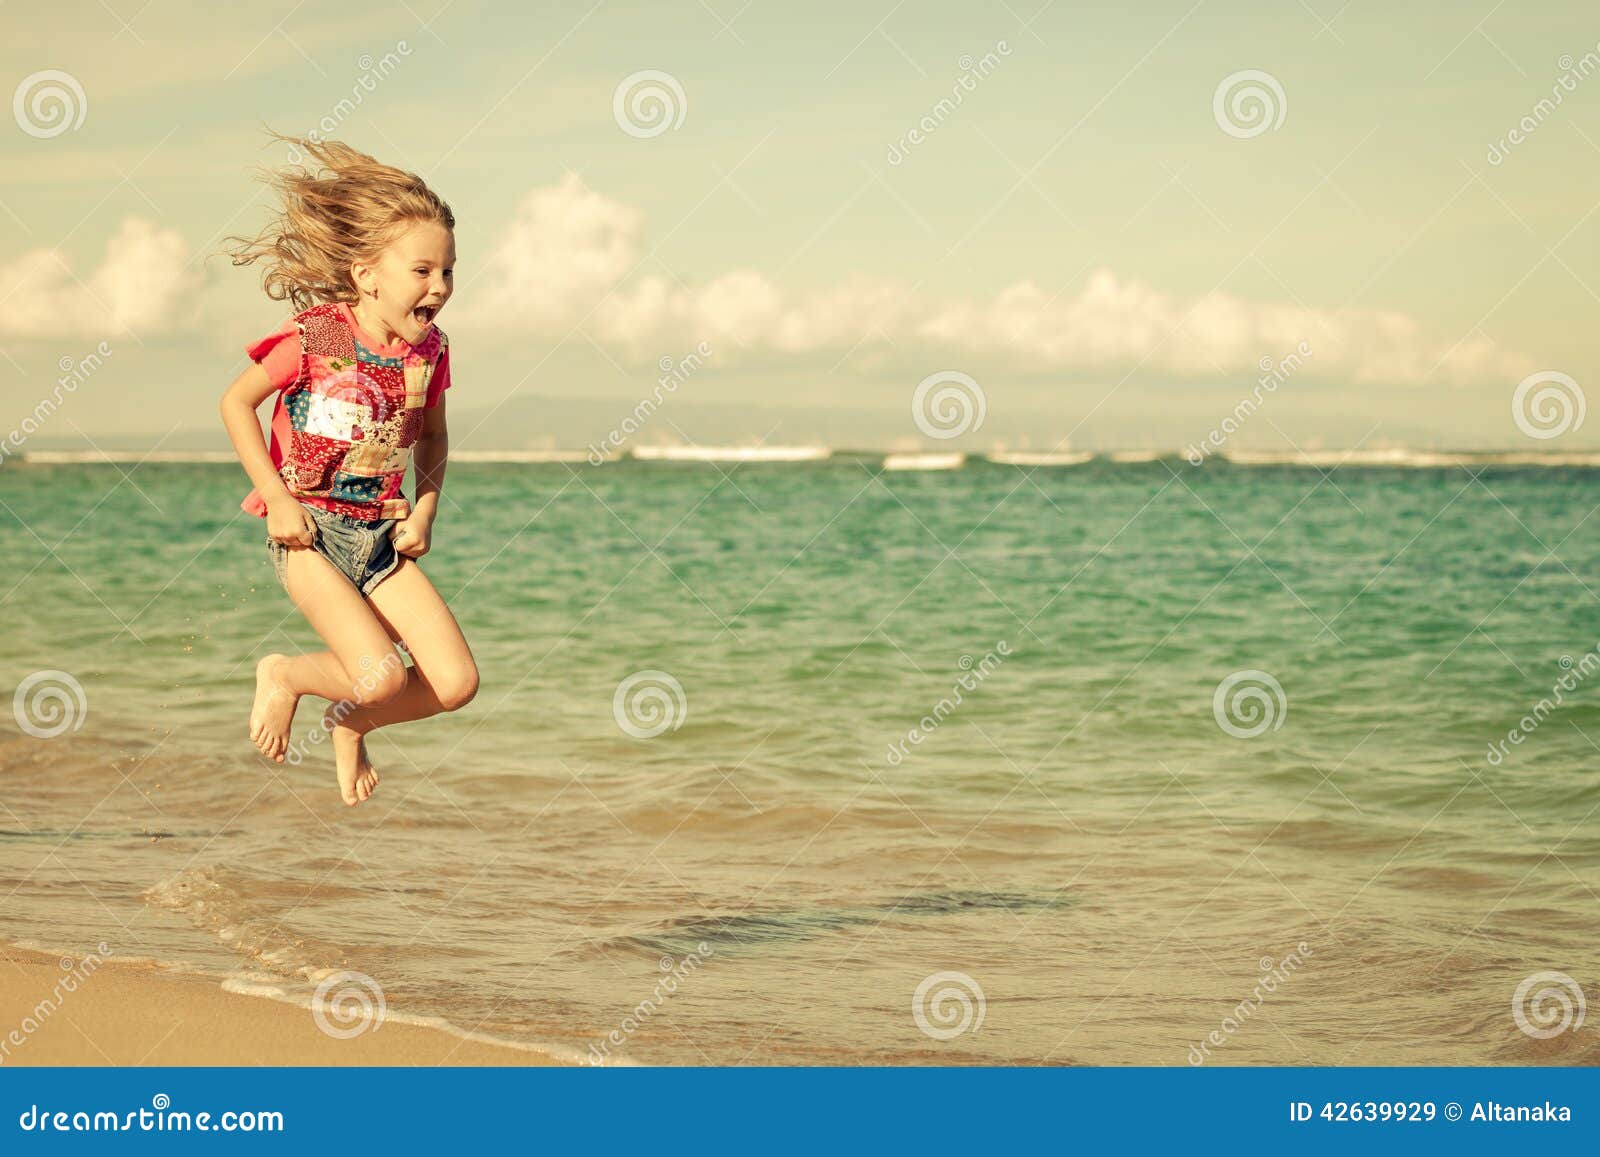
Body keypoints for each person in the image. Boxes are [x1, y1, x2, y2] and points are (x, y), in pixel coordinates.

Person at [218, 134, 478, 807]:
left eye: (448, 271)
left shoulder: (432, 353)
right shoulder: (318, 336)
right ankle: (286, 673)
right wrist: (275, 498)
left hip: (381, 539)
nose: (440, 287)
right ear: (368, 275)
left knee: (454, 683)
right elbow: (236, 402)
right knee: (384, 674)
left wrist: (424, 508)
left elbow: (436, 436)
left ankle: (351, 720)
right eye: (423, 270)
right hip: (309, 533)